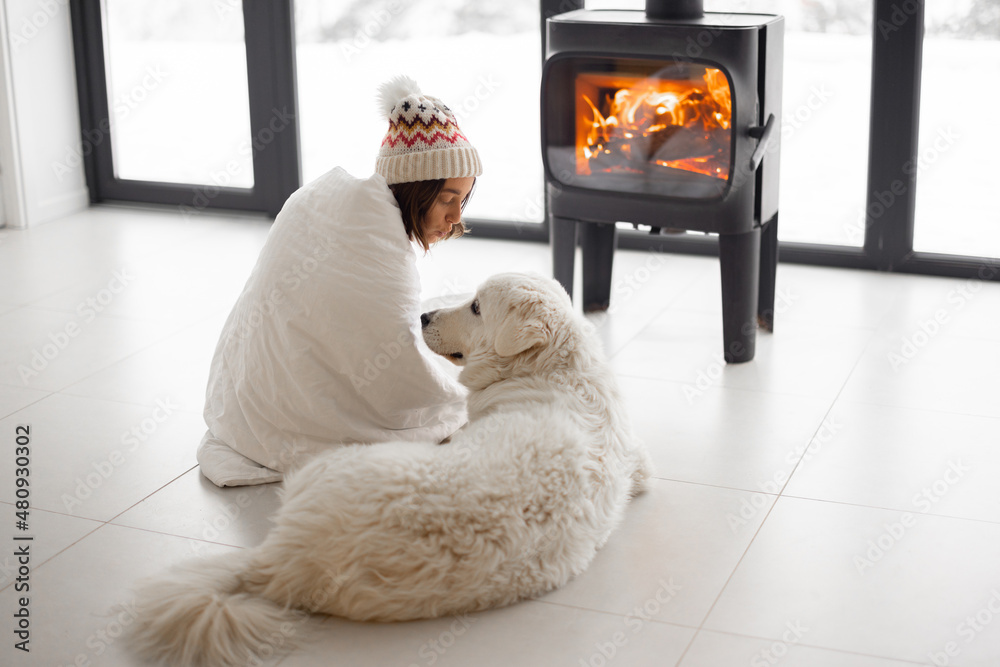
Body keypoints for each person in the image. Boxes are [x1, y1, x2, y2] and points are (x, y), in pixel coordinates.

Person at [196, 75, 481, 487]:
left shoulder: (340, 198)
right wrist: (467, 398)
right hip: (286, 415)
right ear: (416, 187)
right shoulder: (373, 236)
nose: (457, 218)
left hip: (242, 402)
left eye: (464, 200)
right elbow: (397, 365)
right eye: (447, 199)